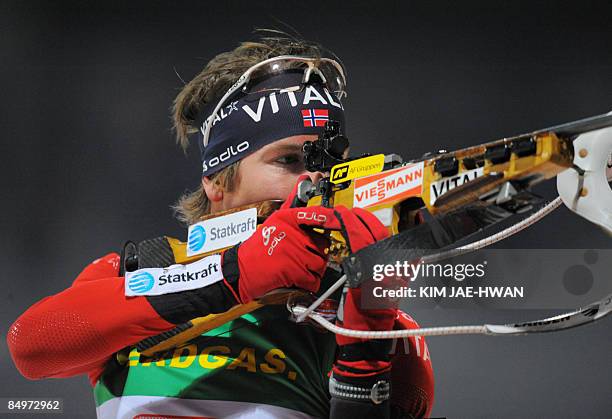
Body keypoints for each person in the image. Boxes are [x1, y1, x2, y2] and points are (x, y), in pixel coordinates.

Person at [7, 33, 434, 419]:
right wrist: (234, 276)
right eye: (289, 160)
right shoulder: (138, 270)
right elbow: (31, 346)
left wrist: (365, 350)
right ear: (216, 180)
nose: (315, 181)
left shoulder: (353, 313)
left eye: (329, 166)